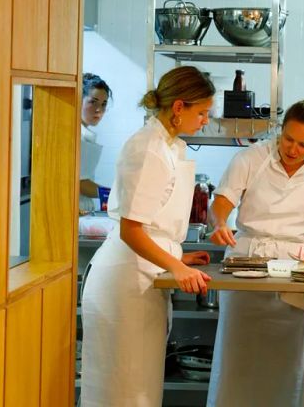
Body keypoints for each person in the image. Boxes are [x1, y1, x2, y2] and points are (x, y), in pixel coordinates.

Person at [80, 66, 215, 407]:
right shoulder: (148, 148)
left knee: (140, 392)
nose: (205, 121)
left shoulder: (169, 145)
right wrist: (177, 266)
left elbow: (151, 222)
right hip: (123, 285)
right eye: (202, 113)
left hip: (143, 276)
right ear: (179, 107)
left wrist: (176, 257)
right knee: (120, 393)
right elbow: (130, 229)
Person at [207, 94, 304, 407]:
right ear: (280, 130)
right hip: (245, 264)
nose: (293, 150)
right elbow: (222, 204)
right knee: (239, 357)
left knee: (290, 363)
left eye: (303, 145)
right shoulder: (252, 158)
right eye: (288, 139)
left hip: (296, 273)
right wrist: (220, 224)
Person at [79, 73, 111, 213]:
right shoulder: (75, 136)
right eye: (93, 102)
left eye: (103, 104)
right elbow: (81, 183)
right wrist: (112, 194)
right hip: (74, 207)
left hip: (83, 208)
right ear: (79, 100)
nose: (99, 110)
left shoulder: (84, 133)